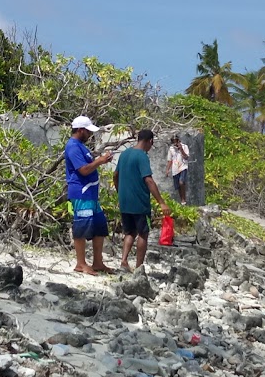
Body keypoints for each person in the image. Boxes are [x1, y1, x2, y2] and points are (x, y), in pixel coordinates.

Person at [114, 129, 172, 272]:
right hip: (139, 202)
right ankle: (139, 267)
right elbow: (149, 180)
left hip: (124, 201)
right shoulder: (142, 156)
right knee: (143, 233)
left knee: (129, 232)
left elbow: (115, 175)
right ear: (150, 141)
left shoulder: (124, 154)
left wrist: (119, 191)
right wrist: (161, 202)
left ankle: (124, 261)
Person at [65, 115, 114, 274]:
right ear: (80, 130)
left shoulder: (81, 146)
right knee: (81, 225)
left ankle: (98, 262)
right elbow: (83, 170)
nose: (90, 135)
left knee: (100, 226)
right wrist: (100, 160)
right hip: (81, 192)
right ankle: (80, 263)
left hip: (91, 194)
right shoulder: (73, 146)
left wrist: (102, 161)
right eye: (88, 131)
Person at [167, 135, 190, 199]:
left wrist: (181, 149)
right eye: (173, 141)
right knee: (178, 186)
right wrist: (167, 170)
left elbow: (186, 157)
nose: (175, 143)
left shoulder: (185, 147)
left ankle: (184, 199)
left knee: (181, 182)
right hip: (175, 169)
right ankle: (182, 200)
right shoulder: (171, 149)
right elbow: (169, 160)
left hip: (183, 167)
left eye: (176, 141)